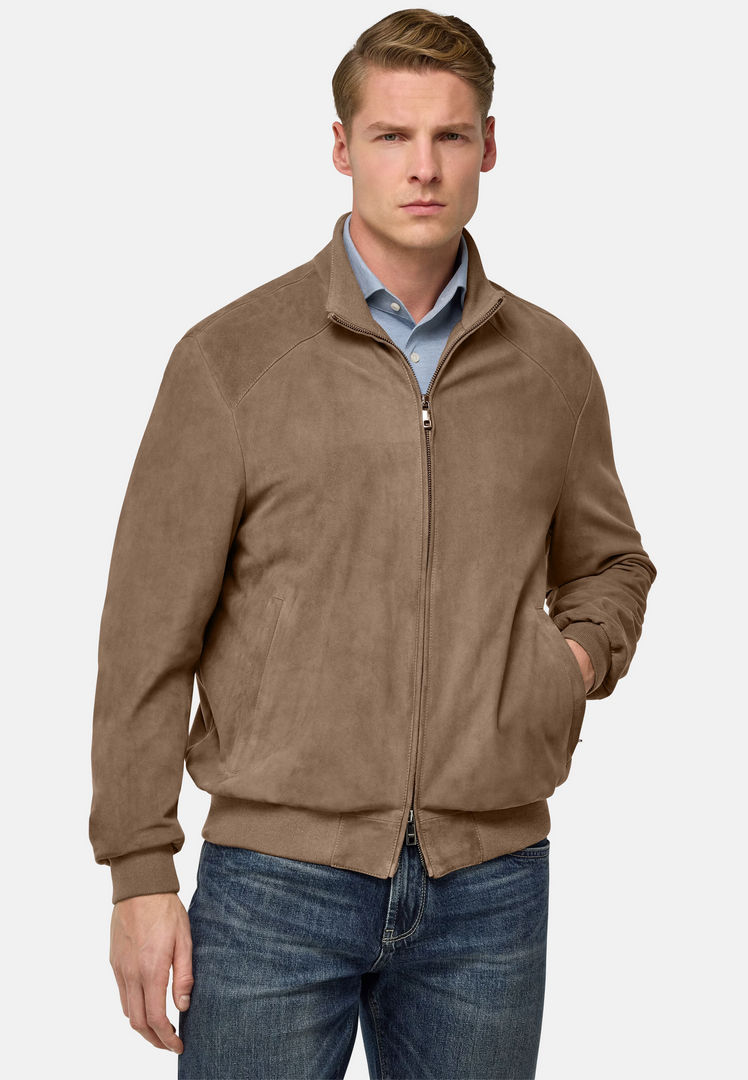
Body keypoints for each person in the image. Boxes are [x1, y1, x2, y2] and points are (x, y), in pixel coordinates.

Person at [89, 9, 657, 1078]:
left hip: (490, 882)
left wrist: (570, 662)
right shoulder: (232, 361)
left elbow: (609, 563)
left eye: (450, 136)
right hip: (273, 880)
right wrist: (138, 869)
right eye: (392, 136)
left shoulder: (550, 367)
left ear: (489, 146)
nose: (423, 167)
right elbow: (146, 634)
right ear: (342, 147)